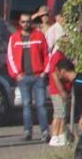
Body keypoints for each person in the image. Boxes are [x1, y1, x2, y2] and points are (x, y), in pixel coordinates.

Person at [8, 13, 50, 142]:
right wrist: (17, 74)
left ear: (31, 23)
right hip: (23, 77)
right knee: (26, 105)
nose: (26, 24)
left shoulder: (39, 36)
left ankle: (45, 131)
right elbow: (10, 57)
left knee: (41, 105)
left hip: (38, 76)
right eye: (23, 22)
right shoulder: (14, 38)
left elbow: (47, 54)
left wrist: (44, 72)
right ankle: (27, 131)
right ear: (19, 23)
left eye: (28, 22)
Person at [46, 44, 72, 146]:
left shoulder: (64, 55)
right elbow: (53, 74)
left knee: (63, 113)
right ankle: (54, 136)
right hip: (57, 90)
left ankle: (61, 135)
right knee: (59, 113)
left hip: (64, 89)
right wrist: (61, 90)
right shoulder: (57, 56)